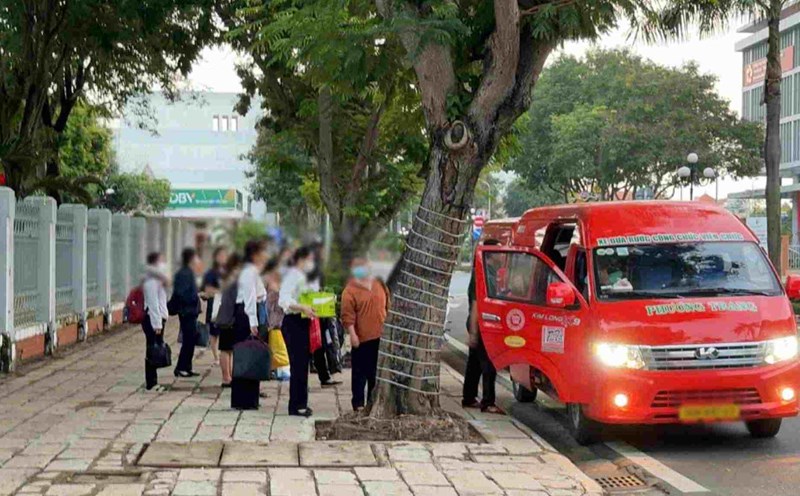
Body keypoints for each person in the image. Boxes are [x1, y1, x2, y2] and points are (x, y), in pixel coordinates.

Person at [341, 258, 388, 411]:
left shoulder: (379, 284)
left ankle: (372, 403)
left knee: (375, 374)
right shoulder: (350, 290)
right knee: (360, 374)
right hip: (361, 339)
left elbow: (387, 306)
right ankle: (358, 404)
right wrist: (352, 335)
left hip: (380, 336)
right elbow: (347, 316)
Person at [462, 241, 501, 414]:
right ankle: (488, 402)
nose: (502, 255)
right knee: (488, 364)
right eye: (498, 252)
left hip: (479, 322)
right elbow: (477, 305)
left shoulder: (486, 272)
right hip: (481, 323)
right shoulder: (482, 274)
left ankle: (469, 398)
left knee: (474, 364)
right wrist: (474, 332)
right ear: (490, 256)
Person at [279, 246, 317, 417]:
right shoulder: (292, 275)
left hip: (304, 321)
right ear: (301, 259)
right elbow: (284, 299)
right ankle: (296, 405)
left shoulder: (305, 276)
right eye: (309, 258)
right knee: (298, 364)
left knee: (303, 364)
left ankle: (301, 402)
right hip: (293, 322)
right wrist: (302, 306)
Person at [232, 240, 269, 410]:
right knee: (245, 355)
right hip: (246, 314)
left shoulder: (252, 270)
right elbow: (249, 298)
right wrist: (252, 322)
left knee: (251, 354)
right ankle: (243, 398)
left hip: (251, 311)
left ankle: (250, 396)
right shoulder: (249, 271)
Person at [306, 243, 341, 387]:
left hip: (323, 309)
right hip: (316, 310)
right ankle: (324, 374)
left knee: (327, 341)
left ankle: (326, 372)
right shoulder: (311, 270)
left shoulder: (320, 269)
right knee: (320, 343)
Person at [172, 248, 203, 378]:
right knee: (188, 340)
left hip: (190, 311)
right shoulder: (184, 273)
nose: (198, 260)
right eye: (196, 257)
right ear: (191, 258)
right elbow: (182, 293)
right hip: (186, 311)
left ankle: (187, 366)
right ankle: (181, 367)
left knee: (191, 339)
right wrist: (195, 297)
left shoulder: (189, 272)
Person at [142, 252, 169, 392]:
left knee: (155, 349)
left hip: (157, 317)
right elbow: (153, 303)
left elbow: (164, 298)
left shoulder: (158, 279)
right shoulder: (151, 280)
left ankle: (153, 381)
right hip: (152, 319)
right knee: (152, 349)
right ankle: (151, 383)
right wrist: (157, 323)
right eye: (162, 261)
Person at [216, 253, 243, 387]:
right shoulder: (234, 278)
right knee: (226, 349)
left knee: (227, 349)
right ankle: (226, 378)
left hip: (226, 315)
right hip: (230, 317)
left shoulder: (229, 277)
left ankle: (228, 375)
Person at [202, 247, 228, 363]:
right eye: (221, 255)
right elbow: (207, 290)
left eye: (225, 255)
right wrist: (220, 291)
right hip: (215, 305)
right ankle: (216, 357)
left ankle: (225, 354)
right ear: (216, 257)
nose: (223, 258)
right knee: (214, 333)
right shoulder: (211, 273)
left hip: (227, 305)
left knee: (226, 331)